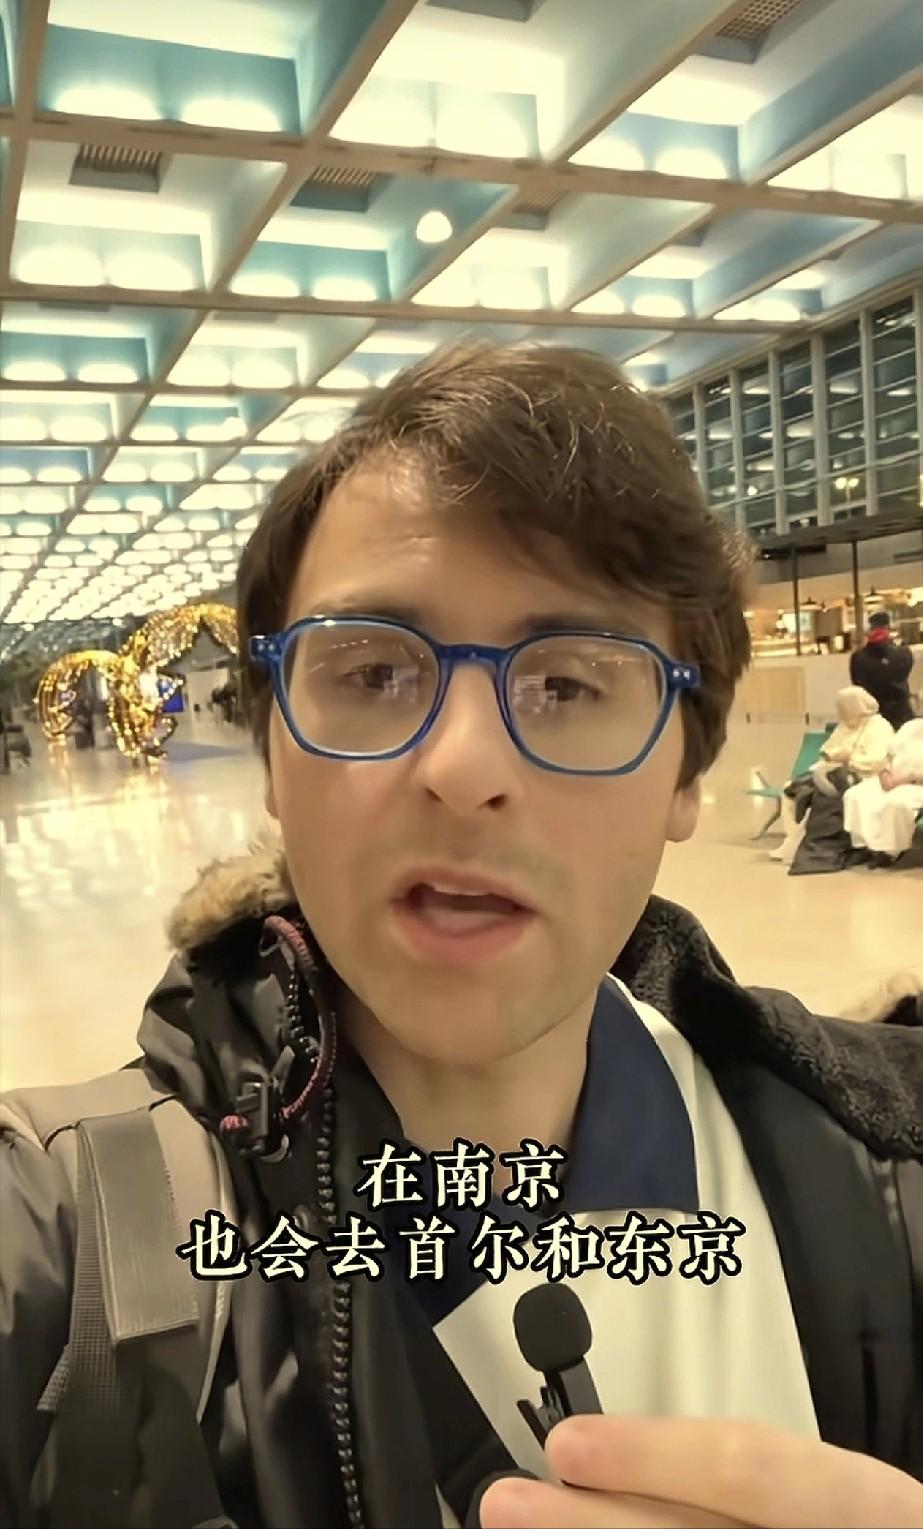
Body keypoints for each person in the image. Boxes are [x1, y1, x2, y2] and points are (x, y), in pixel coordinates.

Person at [2, 344, 922, 1529]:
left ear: (685, 771)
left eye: (567, 683)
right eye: (372, 671)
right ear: (274, 753)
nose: (462, 764)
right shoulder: (64, 1245)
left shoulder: (888, 1169)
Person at [769, 686, 893, 866]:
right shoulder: (845, 725)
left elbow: (877, 760)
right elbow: (827, 749)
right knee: (789, 790)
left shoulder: (879, 726)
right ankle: (792, 838)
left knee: (822, 797)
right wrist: (835, 756)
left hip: (865, 777)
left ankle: (806, 844)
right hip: (832, 771)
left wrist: (849, 759)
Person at [844, 696, 923, 865]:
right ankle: (864, 847)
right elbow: (889, 754)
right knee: (855, 795)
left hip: (916, 784)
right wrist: (884, 772)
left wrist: (904, 779)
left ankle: (890, 851)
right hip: (892, 778)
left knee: (895, 802)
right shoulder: (910, 727)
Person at [849, 611, 913, 729]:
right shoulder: (903, 654)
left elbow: (857, 684)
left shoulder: (858, 658)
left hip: (871, 719)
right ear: (888, 628)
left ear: (870, 629)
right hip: (901, 719)